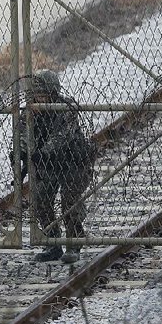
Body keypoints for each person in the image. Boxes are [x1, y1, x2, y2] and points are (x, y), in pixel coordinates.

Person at [21, 69, 95, 264]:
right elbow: (21, 132)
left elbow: (61, 137)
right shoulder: (30, 111)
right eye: (36, 94)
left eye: (42, 94)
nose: (38, 98)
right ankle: (53, 243)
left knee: (70, 202)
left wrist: (42, 152)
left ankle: (73, 243)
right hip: (49, 165)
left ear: (52, 93)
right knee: (40, 198)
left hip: (74, 164)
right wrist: (20, 153)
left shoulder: (66, 108)